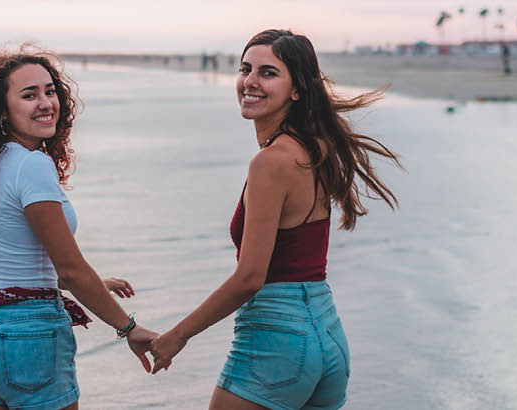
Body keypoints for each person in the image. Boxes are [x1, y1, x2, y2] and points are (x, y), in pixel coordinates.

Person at [148, 29, 401, 410]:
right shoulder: (314, 148)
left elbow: (250, 278)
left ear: (296, 89)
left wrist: (177, 336)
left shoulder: (270, 162)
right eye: (245, 68)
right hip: (328, 337)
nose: (250, 81)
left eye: (268, 72)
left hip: (278, 341)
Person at [0, 47, 157, 410]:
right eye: (29, 95)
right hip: (25, 339)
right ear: (1, 109)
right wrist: (129, 329)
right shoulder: (32, 165)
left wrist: (93, 285)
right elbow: (71, 272)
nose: (45, 103)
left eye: (50, 91)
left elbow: (13, 259)